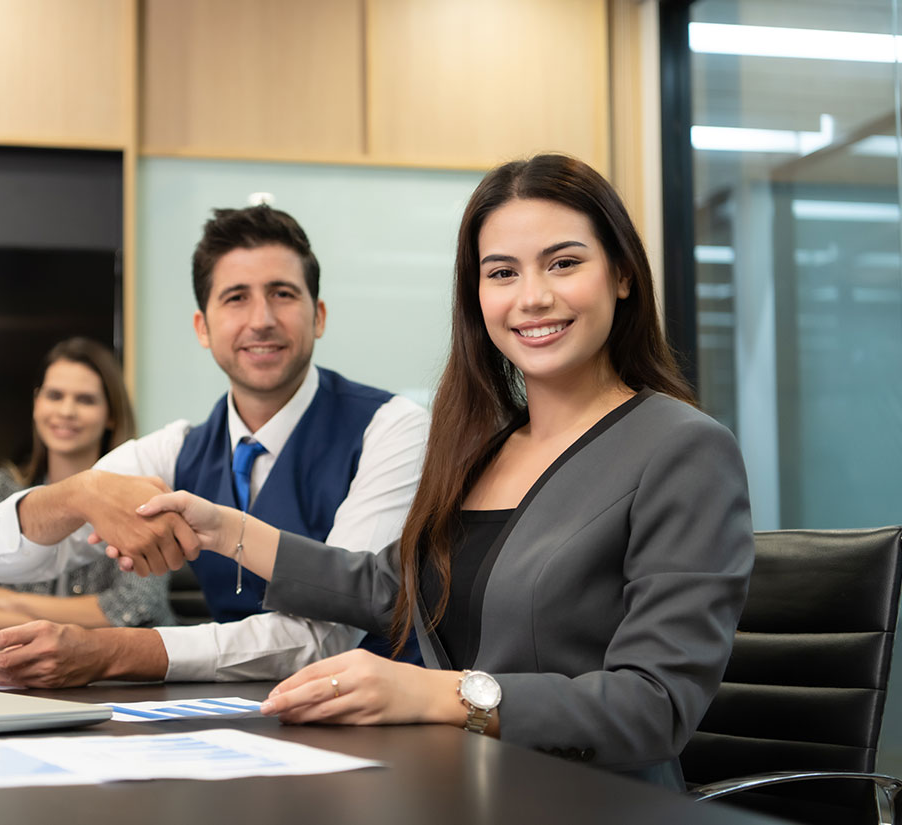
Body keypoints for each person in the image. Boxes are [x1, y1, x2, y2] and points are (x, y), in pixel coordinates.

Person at [131, 154, 755, 790]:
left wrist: (435, 696)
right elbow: (393, 586)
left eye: (563, 263)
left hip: (590, 802)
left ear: (622, 274)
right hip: (462, 787)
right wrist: (223, 530)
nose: (533, 296)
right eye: (502, 272)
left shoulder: (683, 449)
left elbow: (654, 706)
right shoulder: (484, 445)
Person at [0, 205, 428, 685]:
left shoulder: (393, 429)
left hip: (381, 721)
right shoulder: (178, 449)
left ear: (319, 316)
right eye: (235, 298)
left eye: (283, 294)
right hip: (241, 718)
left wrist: (117, 651)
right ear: (202, 328)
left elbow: (330, 636)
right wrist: (81, 492)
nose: (262, 319)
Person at [0, 337, 173, 631]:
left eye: (85, 399)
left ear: (111, 416)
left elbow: (137, 606)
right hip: (18, 668)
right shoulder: (7, 487)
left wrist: (14, 602)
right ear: (37, 403)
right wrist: (42, 628)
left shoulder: (138, 491)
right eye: (54, 395)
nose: (66, 411)